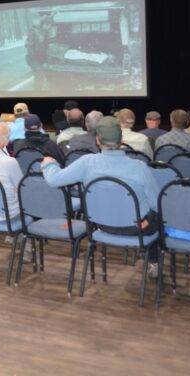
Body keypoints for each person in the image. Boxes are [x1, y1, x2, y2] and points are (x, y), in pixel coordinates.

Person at [41, 116, 160, 273]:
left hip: (101, 225)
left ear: (97, 140)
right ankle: (153, 262)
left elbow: (54, 179)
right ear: (121, 139)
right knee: (158, 215)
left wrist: (49, 163)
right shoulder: (139, 167)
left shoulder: (87, 162)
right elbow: (156, 204)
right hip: (136, 227)